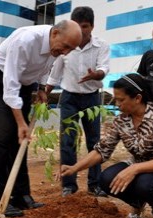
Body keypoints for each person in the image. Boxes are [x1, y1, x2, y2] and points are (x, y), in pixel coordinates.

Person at [59, 73, 153, 218]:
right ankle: (137, 203)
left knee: (145, 183)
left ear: (137, 98)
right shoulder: (121, 121)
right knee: (106, 179)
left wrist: (135, 169)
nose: (117, 104)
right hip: (142, 168)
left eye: (121, 100)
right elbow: (102, 150)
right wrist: (75, 168)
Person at [0, 20, 82, 218]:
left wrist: (41, 88)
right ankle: (0, 200)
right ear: (54, 34)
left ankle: (21, 195)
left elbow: (46, 67)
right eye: (65, 47)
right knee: (1, 138)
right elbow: (10, 87)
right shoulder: (25, 41)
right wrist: (21, 123)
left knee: (20, 142)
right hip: (0, 80)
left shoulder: (56, 47)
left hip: (25, 84)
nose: (65, 52)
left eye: (70, 49)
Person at [46, 6, 110, 197]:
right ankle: (69, 185)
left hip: (92, 98)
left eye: (86, 26)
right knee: (68, 142)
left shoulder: (101, 46)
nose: (82, 31)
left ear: (92, 26)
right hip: (69, 98)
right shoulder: (66, 44)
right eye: (78, 26)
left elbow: (104, 68)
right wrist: (45, 91)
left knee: (94, 142)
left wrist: (96, 74)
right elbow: (55, 71)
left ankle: (95, 184)